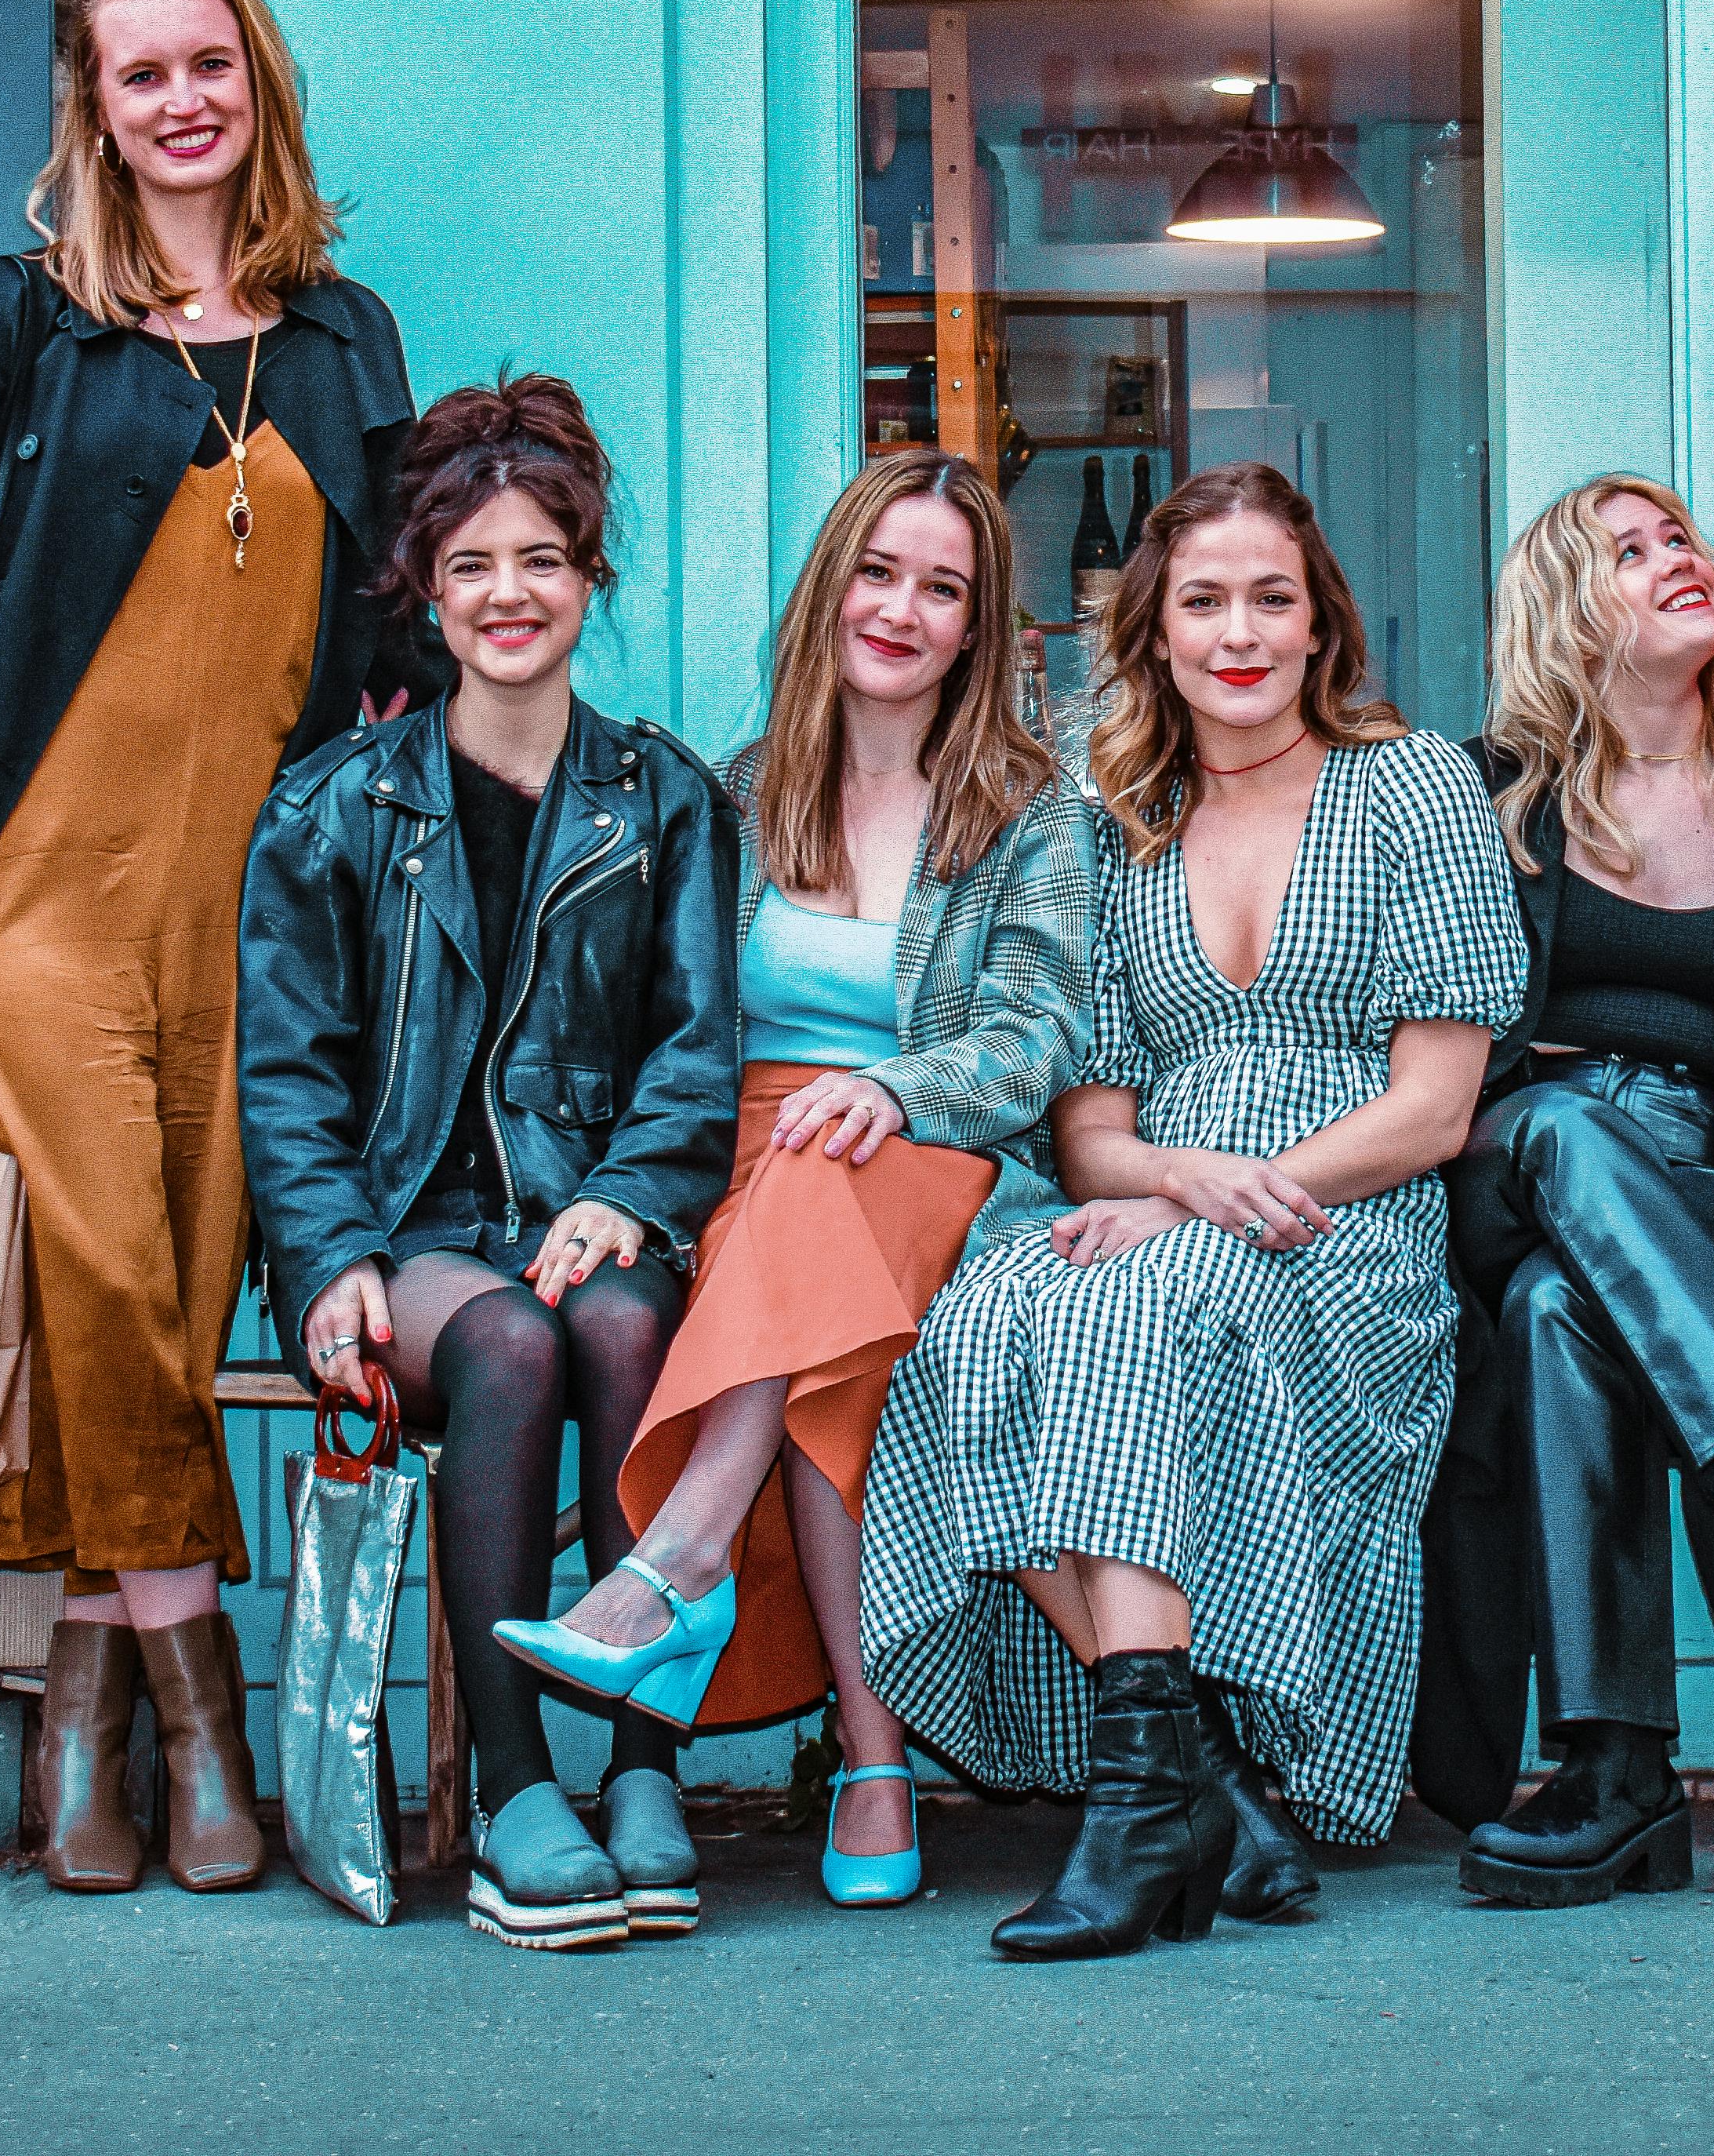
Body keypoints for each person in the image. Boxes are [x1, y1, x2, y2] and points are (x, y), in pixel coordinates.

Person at [0, 0, 434, 1899]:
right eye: (140, 73)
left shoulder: (346, 338)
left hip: (248, 929)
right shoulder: (16, 325)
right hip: (38, 904)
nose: (182, 99)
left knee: (160, 1303)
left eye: (212, 65)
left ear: (256, 84)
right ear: (92, 111)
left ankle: (88, 1722)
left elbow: (395, 642)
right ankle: (212, 1728)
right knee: (101, 1264)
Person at [863, 463, 1526, 1960]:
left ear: (1319, 627)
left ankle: (1151, 1796)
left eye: (1271, 600)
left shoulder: (1408, 786)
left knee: (1123, 1309)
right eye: (1204, 602)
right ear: (1152, 635)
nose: (1239, 632)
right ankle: (1190, 1774)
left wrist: (1227, 1209)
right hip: (1163, 1205)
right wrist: (1177, 1186)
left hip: (1340, 1223)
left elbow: (1436, 1108)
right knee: (958, 1326)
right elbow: (1092, 1129)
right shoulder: (1112, 825)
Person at [527, 447, 1098, 1915]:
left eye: (944, 589)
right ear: (832, 587)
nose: (902, 609)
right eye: (880, 570)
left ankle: (679, 1564)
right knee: (809, 1276)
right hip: (748, 1166)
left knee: (819, 1193)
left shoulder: (1030, 813)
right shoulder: (731, 796)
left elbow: (1034, 1038)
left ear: (978, 629)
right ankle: (869, 1747)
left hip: (937, 1158)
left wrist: (889, 1086)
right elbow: (668, 1031)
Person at [234, 375, 739, 1950]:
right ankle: (521, 1787)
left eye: (541, 559)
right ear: (426, 592)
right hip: (411, 1231)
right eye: (472, 566)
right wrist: (328, 1265)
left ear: (591, 578)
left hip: (594, 1206)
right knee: (515, 1340)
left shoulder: (664, 799)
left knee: (620, 1317)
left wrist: (632, 1189)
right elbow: (289, 1073)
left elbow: (697, 1046)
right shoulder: (331, 808)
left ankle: (644, 1768)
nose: (508, 594)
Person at [1415, 474, 1714, 1908]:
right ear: (1575, 609)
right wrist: (1564, 1072)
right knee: (1569, 1128)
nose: (1677, 560)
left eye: (1680, 537)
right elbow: (1459, 1044)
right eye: (1631, 553)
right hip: (1523, 1159)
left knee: (1569, 1318)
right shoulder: (1493, 797)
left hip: (1708, 1188)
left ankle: (1618, 1777)